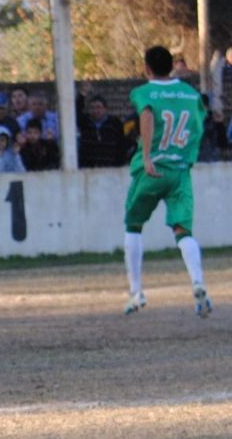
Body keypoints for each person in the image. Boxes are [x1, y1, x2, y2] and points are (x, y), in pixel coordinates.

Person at [123, 45, 212, 318]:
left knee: (133, 225)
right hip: (179, 170)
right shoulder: (190, 94)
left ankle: (136, 292)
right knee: (183, 231)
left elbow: (147, 115)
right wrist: (187, 157)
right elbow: (198, 125)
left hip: (151, 169)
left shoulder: (143, 92)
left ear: (146, 68)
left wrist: (148, 155)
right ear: (172, 65)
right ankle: (198, 283)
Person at [77, 95, 129, 167]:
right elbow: (75, 111)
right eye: (92, 108)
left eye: (98, 107)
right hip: (88, 169)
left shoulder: (115, 124)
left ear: (105, 109)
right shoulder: (85, 123)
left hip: (111, 168)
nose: (95, 111)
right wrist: (82, 95)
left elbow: (121, 145)